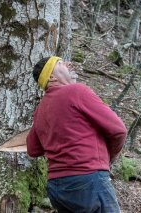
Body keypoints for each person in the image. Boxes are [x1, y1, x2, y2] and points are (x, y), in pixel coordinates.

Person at [27, 56, 127, 213]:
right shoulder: (76, 91)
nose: (68, 64)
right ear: (52, 77)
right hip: (88, 181)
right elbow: (118, 129)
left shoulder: (40, 110)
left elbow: (33, 149)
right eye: (60, 63)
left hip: (57, 188)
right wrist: (111, 157)